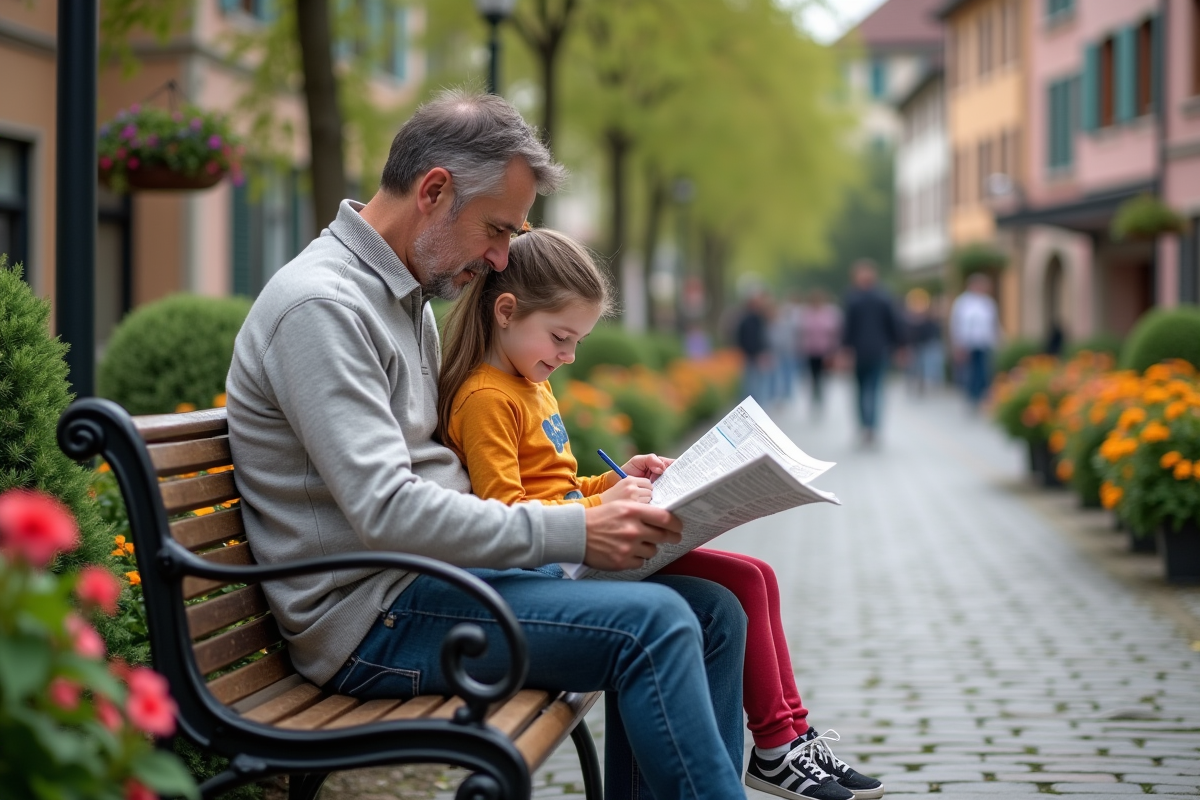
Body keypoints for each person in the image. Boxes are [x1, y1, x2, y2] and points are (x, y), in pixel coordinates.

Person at [225, 89, 749, 800]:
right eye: (497, 229)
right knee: (654, 626)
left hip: (438, 585)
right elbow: (386, 510)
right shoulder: (324, 306)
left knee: (712, 612)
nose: (504, 257)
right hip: (374, 621)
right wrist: (575, 531)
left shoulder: (401, 296)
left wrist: (591, 504)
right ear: (434, 191)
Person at [438, 226, 884, 800]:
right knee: (744, 582)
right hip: (554, 567)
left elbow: (559, 487)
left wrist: (623, 476)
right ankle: (777, 748)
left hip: (580, 541)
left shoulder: (530, 383)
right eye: (560, 337)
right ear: (506, 312)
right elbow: (504, 511)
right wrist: (603, 504)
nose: (568, 356)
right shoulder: (486, 398)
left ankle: (790, 739)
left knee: (758, 576)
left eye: (577, 342)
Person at [841, 260, 903, 445]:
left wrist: (899, 346)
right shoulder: (877, 296)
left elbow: (892, 324)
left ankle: (869, 426)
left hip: (873, 351)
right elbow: (848, 328)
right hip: (867, 351)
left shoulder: (859, 297)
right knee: (867, 391)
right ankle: (867, 426)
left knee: (870, 391)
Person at [949, 272, 1000, 410]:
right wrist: (957, 344)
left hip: (983, 342)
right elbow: (956, 324)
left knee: (983, 371)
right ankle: (971, 397)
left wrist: (997, 341)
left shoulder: (988, 303)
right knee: (970, 372)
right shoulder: (962, 302)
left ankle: (980, 397)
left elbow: (993, 324)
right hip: (968, 343)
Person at [797, 288, 842, 412]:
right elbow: (801, 331)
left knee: (824, 376)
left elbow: (836, 331)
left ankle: (821, 397)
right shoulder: (806, 313)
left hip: (826, 350)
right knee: (813, 376)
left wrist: (835, 349)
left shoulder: (831, 312)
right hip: (810, 350)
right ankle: (814, 396)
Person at [903, 288, 944, 396]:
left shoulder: (928, 320)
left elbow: (933, 331)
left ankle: (922, 385)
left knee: (924, 366)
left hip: (925, 345)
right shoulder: (908, 320)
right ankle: (912, 383)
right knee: (913, 366)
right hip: (913, 345)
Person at [736, 290, 774, 406]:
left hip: (758, 355)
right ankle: (753, 406)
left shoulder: (760, 319)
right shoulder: (749, 320)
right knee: (752, 384)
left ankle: (757, 405)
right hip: (752, 355)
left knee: (757, 383)